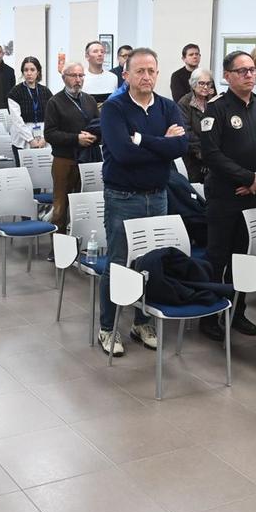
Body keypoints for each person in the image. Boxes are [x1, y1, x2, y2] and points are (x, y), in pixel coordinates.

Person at [97, 48, 188, 356]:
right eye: (139, 71)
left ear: (157, 74)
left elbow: (181, 147)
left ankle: (142, 323)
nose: (146, 76)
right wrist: (163, 144)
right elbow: (123, 153)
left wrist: (144, 141)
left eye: (151, 71)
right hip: (123, 197)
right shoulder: (114, 108)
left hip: (158, 196)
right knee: (119, 263)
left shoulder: (167, 106)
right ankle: (108, 327)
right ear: (126, 75)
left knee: (151, 263)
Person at [198, 51, 256, 341]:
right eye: (242, 71)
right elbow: (211, 153)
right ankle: (209, 315)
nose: (249, 75)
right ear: (227, 75)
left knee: (244, 257)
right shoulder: (216, 109)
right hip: (225, 195)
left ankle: (237, 312)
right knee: (217, 257)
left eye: (252, 70)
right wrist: (247, 178)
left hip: (254, 195)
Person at [43, 62, 100, 234]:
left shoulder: (89, 100)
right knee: (60, 207)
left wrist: (95, 137)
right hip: (64, 160)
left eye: (81, 75)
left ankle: (81, 240)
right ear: (64, 78)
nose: (78, 80)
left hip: (87, 159)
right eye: (73, 76)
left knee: (85, 205)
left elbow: (99, 125)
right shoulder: (55, 102)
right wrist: (76, 139)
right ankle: (58, 244)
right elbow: (50, 134)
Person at [176, 66, 216, 183]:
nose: (205, 87)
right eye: (201, 83)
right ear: (193, 84)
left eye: (208, 83)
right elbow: (186, 132)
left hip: (214, 155)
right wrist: (204, 152)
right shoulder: (184, 103)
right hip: (193, 156)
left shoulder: (214, 101)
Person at [6, 56, 51, 154]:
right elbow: (17, 120)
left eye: (32, 70)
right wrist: (30, 139)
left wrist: (45, 138)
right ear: (23, 72)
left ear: (38, 72)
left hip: (43, 139)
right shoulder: (15, 92)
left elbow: (52, 118)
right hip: (22, 140)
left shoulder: (46, 91)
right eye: (26, 70)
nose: (29, 73)